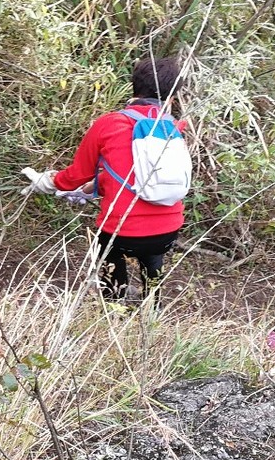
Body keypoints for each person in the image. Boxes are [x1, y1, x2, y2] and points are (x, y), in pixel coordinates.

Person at [21, 56, 188, 300]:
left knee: (107, 249)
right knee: (152, 255)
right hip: (169, 229)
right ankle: (153, 305)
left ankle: (115, 302)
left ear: (134, 86)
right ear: (172, 98)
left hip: (121, 230)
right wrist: (97, 185)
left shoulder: (110, 123)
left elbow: (74, 177)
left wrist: (45, 182)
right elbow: (141, 174)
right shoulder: (174, 128)